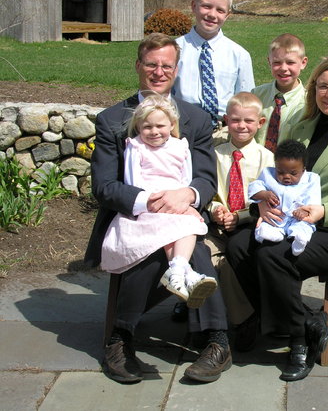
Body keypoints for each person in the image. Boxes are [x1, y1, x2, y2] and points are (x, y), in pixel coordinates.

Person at [225, 56, 328, 382]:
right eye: (323, 86)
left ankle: (299, 341)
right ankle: (309, 321)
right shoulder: (300, 127)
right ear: (314, 89)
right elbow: (277, 176)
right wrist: (263, 202)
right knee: (238, 246)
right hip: (290, 223)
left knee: (274, 256)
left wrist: (324, 211)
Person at [85, 33, 232, 384]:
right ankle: (121, 339)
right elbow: (104, 186)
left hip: (182, 212)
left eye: (166, 65)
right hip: (133, 214)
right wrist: (147, 202)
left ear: (176, 70)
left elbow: (205, 178)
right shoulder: (112, 119)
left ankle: (216, 341)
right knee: (148, 249)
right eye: (151, 64)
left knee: (194, 249)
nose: (158, 72)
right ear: (138, 66)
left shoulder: (196, 118)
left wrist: (188, 195)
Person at [100, 94, 217, 309]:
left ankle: (178, 271)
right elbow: (133, 181)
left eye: (160, 126)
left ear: (172, 125)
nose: (154, 131)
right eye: (147, 127)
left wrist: (185, 203)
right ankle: (186, 274)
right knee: (175, 228)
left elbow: (186, 177)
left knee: (189, 225)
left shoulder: (179, 146)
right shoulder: (136, 147)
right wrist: (156, 202)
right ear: (138, 127)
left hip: (177, 200)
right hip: (150, 204)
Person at [205, 92, 274, 350]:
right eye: (235, 120)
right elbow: (208, 189)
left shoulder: (266, 158)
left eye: (248, 121)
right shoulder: (216, 155)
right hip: (217, 224)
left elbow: (268, 197)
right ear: (226, 120)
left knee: (231, 262)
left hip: (249, 224)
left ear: (260, 123)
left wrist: (240, 216)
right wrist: (216, 209)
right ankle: (205, 320)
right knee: (203, 257)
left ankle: (243, 319)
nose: (241, 126)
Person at [173, 0, 255, 128]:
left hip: (223, 130)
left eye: (220, 10)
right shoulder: (175, 49)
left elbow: (246, 101)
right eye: (206, 6)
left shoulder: (239, 55)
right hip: (183, 127)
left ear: (227, 15)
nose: (212, 14)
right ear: (194, 6)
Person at [249, 139, 321, 256]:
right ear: (276, 166)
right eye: (281, 172)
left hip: (296, 218)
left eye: (293, 173)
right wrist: (263, 194)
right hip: (276, 217)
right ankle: (267, 235)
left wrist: (304, 211)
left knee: (304, 226)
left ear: (303, 169)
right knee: (266, 225)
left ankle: (300, 240)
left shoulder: (311, 179)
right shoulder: (268, 174)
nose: (286, 176)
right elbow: (254, 187)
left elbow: (314, 200)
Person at [251, 33, 308, 151]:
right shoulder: (257, 95)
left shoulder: (309, 102)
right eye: (277, 62)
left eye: (290, 62)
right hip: (257, 159)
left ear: (303, 63)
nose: (283, 68)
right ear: (269, 62)